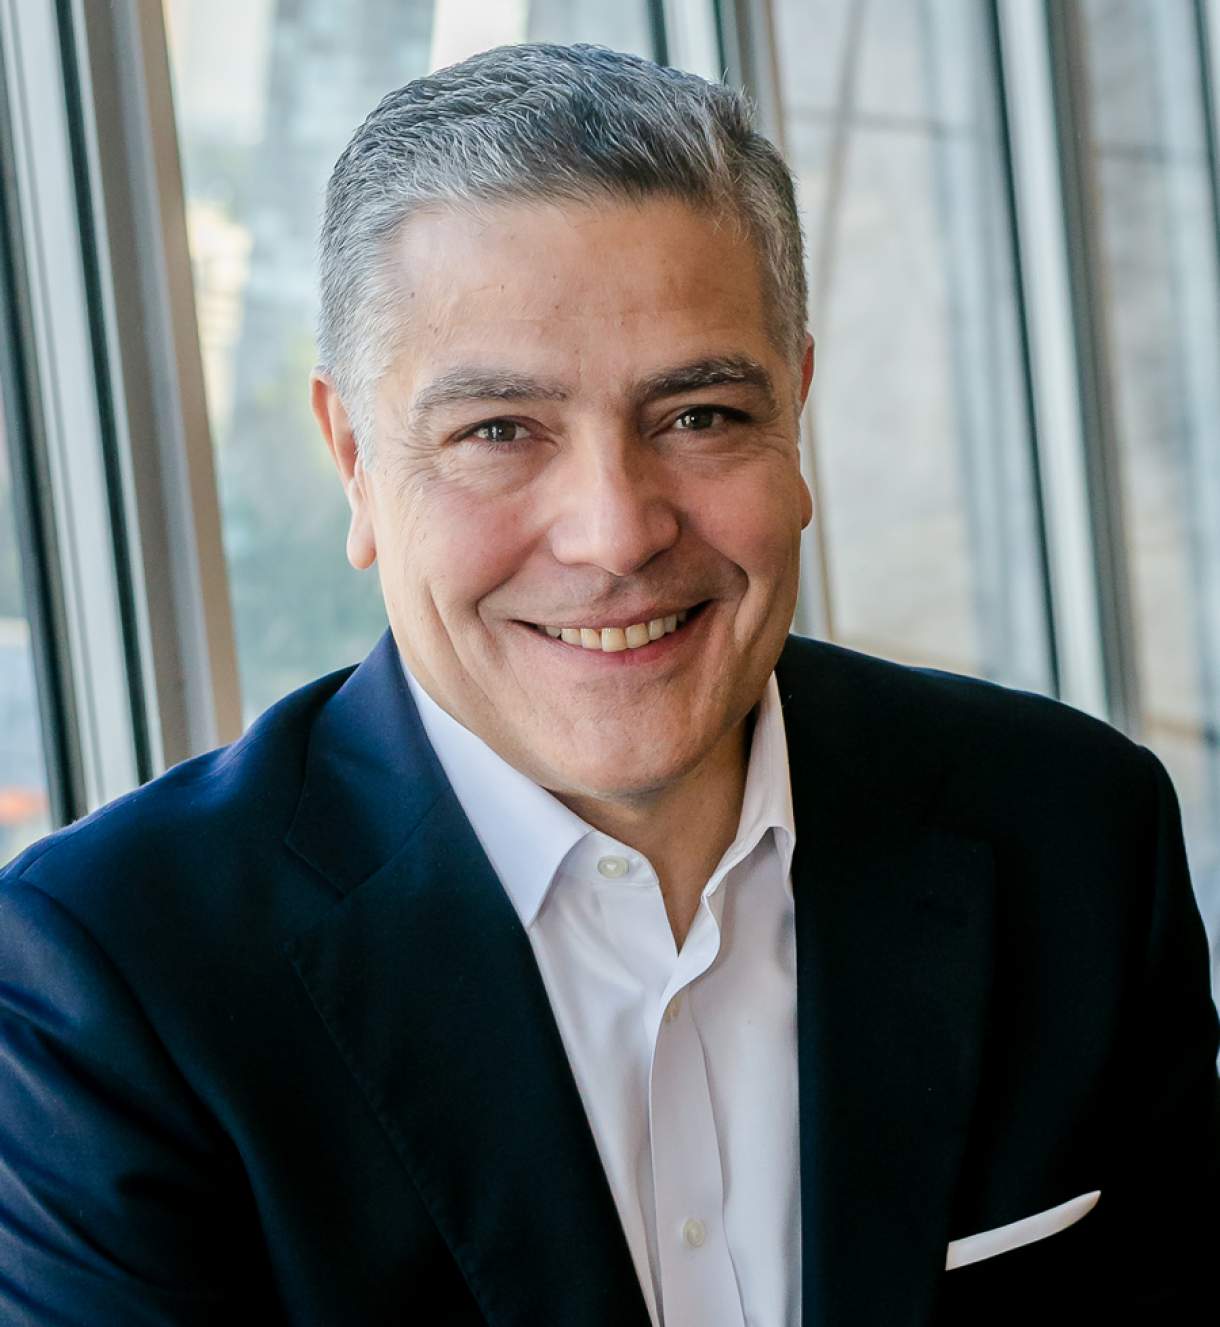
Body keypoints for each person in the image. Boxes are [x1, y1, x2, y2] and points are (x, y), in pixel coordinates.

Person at [0, 41, 1216, 1327]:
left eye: (698, 415)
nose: (615, 533)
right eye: (497, 431)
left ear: (796, 408)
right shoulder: (112, 986)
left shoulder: (1073, 835)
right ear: (354, 460)